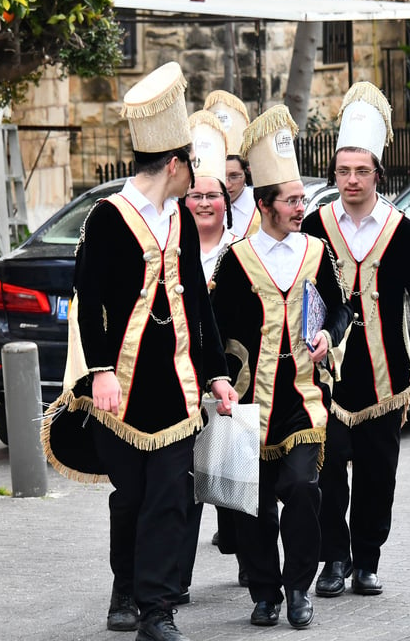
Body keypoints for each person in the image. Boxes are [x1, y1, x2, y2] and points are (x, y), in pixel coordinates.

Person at [42, 62, 236, 641]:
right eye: (190, 167)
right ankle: (123, 586)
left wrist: (217, 374)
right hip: (119, 388)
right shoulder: (106, 218)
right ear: (173, 165)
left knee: (170, 498)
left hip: (176, 387)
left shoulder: (178, 215)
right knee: (131, 498)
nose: (195, 181)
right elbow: (89, 298)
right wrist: (100, 370)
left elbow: (197, 301)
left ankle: (157, 610)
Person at [210, 105, 351, 630]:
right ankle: (264, 592)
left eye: (301, 200)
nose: (302, 208)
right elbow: (215, 329)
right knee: (253, 504)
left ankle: (298, 587)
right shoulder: (236, 258)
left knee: (301, 490)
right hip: (249, 401)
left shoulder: (316, 251)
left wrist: (328, 335)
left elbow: (341, 309)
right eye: (293, 201)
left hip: (305, 398)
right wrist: (219, 379)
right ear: (266, 205)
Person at [300, 82, 410, 601]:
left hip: (387, 373)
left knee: (379, 473)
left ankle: (368, 560)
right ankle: (333, 557)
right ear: (334, 175)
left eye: (361, 171)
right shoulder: (315, 225)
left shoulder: (402, 230)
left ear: (378, 174)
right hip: (326, 375)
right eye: (343, 171)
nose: (352, 180)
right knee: (328, 469)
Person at [182, 109, 248, 588]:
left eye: (213, 195)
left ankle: (251, 563)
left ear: (227, 202)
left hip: (234, 377)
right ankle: (176, 576)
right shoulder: (172, 251)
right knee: (183, 483)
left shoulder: (243, 250)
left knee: (236, 473)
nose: (204, 203)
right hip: (182, 377)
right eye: (196, 195)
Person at [205, 90, 261, 235]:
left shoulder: (261, 207)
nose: (227, 185)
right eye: (221, 177)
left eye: (234, 176)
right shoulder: (201, 206)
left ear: (246, 172)